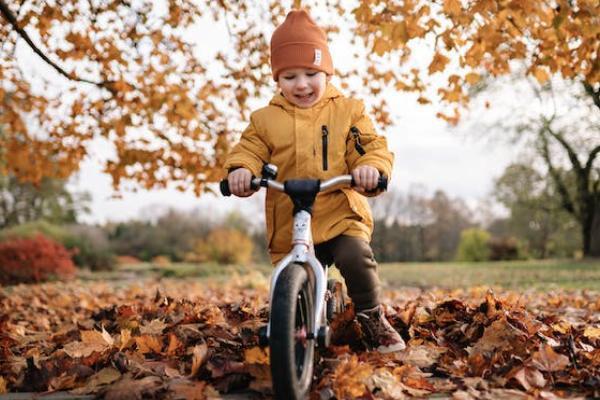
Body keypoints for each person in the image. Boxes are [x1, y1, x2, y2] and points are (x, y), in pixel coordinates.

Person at [223, 9, 405, 353]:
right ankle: (296, 324)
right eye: (290, 76)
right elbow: (248, 149)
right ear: (277, 79)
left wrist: (370, 168)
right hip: (292, 219)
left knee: (355, 257)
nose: (302, 84)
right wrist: (240, 171)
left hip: (338, 211)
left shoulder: (349, 110)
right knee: (293, 280)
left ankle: (371, 317)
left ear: (326, 71)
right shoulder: (265, 120)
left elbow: (371, 146)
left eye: (310, 73)